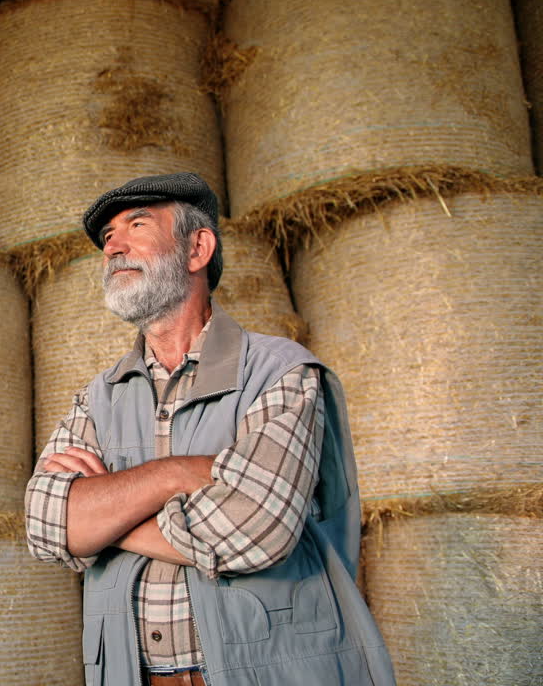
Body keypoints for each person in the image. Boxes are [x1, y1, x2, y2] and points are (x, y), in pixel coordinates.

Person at [24, 173, 394, 686]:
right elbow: (46, 525)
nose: (114, 247)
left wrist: (103, 524)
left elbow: (257, 530)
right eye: (108, 237)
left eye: (136, 224)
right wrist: (176, 474)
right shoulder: (101, 395)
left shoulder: (280, 372)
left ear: (197, 248)